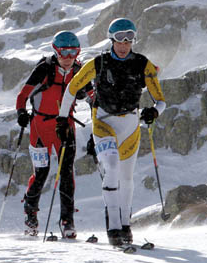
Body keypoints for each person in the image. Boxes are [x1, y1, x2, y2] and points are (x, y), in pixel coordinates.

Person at [56, 18, 166, 247]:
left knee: (126, 177)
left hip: (130, 125)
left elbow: (160, 101)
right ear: (111, 39)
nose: (124, 44)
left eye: (129, 39)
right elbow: (72, 88)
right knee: (112, 168)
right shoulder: (99, 62)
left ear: (134, 40)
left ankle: (126, 226)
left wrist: (153, 112)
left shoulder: (143, 64)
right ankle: (113, 226)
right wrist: (61, 118)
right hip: (103, 122)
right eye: (119, 39)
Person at [14, 30, 93, 239]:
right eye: (63, 53)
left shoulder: (80, 70)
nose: (68, 58)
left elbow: (93, 97)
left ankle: (67, 221)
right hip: (40, 126)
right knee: (41, 173)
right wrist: (21, 113)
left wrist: (95, 101)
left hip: (65, 127)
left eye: (73, 53)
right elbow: (22, 96)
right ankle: (30, 213)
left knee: (66, 172)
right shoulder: (44, 69)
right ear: (55, 51)